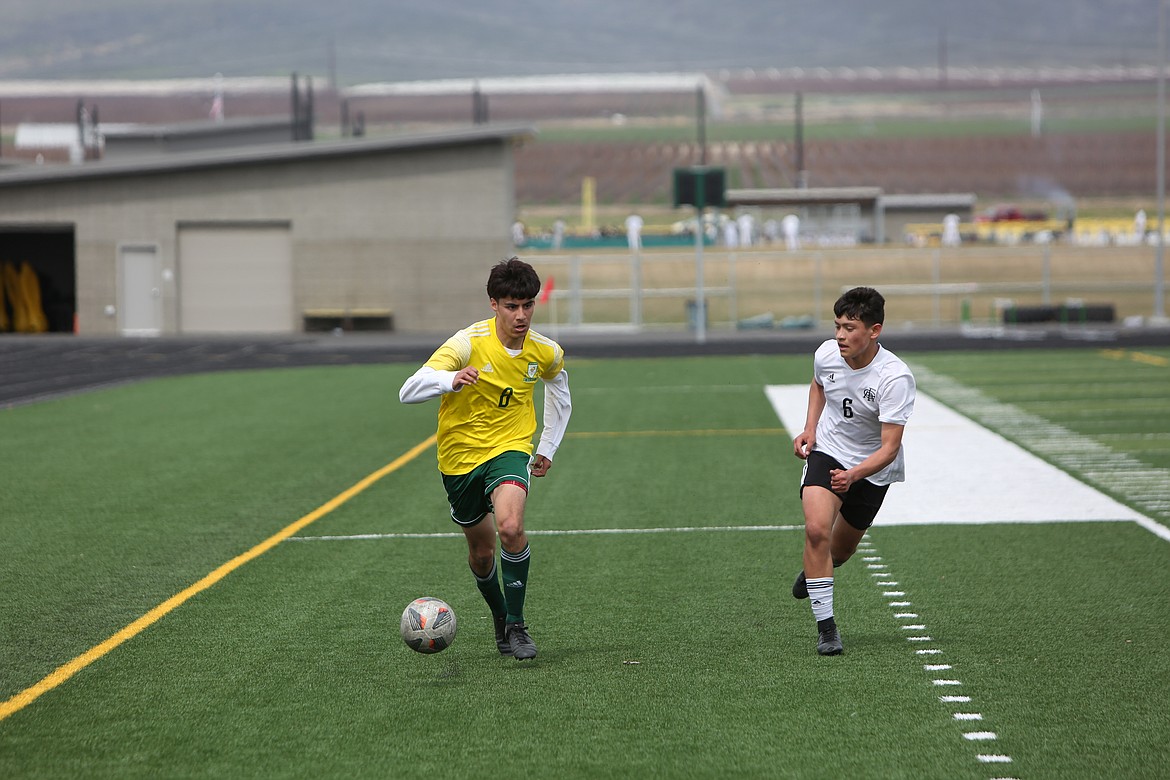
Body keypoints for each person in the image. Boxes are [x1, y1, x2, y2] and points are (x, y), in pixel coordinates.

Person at [399, 257, 572, 660]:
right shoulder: (466, 343)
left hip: (509, 449)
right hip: (459, 459)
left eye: (528, 305)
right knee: (481, 552)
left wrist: (547, 446)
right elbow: (408, 390)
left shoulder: (544, 351)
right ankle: (500, 617)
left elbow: (560, 392)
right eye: (512, 306)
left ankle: (517, 624)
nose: (522, 315)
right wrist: (449, 379)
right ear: (493, 303)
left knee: (510, 528)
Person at [790, 287, 915, 656]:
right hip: (828, 451)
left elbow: (889, 447)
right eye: (837, 326)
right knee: (816, 532)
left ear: (874, 331)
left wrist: (855, 475)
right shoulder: (826, 354)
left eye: (850, 328)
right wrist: (810, 428)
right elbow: (819, 385)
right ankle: (827, 629)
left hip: (873, 468)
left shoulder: (894, 378)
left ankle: (816, 573)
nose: (840, 336)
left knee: (840, 551)